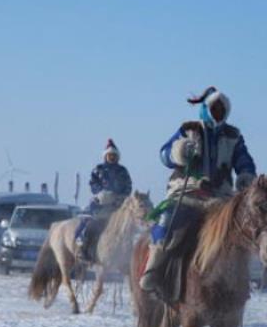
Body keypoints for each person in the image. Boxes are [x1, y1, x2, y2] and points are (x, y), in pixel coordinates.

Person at [139, 86, 256, 292]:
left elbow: (244, 160)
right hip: (187, 192)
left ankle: (241, 280)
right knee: (167, 220)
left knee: (242, 230)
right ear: (206, 109)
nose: (218, 112)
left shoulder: (233, 136)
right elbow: (164, 154)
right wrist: (180, 151)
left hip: (220, 198)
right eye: (214, 108)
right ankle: (154, 269)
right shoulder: (189, 129)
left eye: (222, 109)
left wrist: (246, 176)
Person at [75, 139, 132, 261]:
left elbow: (128, 186)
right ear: (105, 155)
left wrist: (121, 197)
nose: (112, 157)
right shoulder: (98, 169)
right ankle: (83, 248)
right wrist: (100, 193)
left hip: (118, 204)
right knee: (88, 222)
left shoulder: (123, 171)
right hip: (101, 202)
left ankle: (127, 256)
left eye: (114, 155)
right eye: (110, 155)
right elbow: (92, 184)